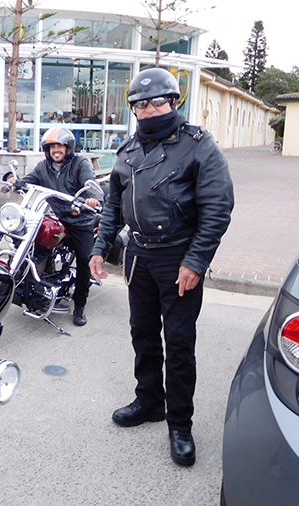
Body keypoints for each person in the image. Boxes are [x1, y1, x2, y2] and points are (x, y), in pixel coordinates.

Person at [89, 67, 234, 467]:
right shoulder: (128, 151)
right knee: (143, 334)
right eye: (140, 104)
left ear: (174, 102)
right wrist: (100, 247)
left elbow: (217, 209)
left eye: (158, 102)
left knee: (180, 343)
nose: (150, 110)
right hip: (139, 256)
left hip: (178, 258)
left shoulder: (199, 146)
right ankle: (149, 401)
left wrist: (196, 261)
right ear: (133, 109)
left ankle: (180, 423)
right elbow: (113, 205)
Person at [11, 128, 100, 326]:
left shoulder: (80, 163)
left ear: (68, 148)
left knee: (85, 259)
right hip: (58, 217)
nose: (55, 150)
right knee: (31, 241)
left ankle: (79, 305)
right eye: (52, 147)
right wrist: (15, 183)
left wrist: (92, 197)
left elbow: (89, 181)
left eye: (59, 146)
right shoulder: (44, 166)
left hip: (80, 219)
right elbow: (29, 181)